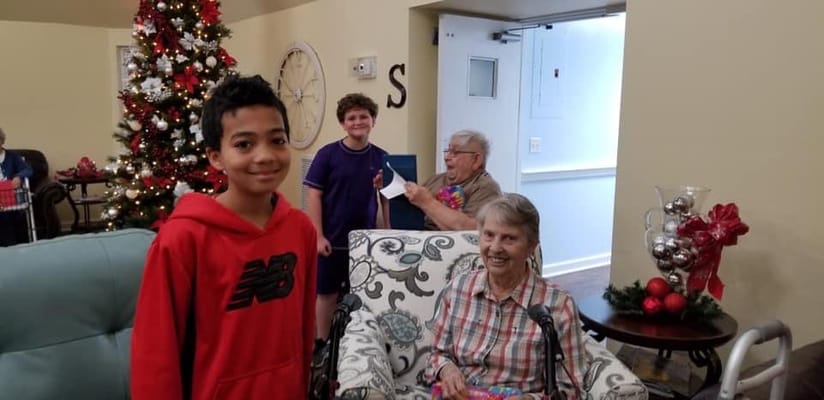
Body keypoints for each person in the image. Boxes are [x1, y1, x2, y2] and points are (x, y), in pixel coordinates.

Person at [130, 75, 317, 400]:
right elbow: (154, 354)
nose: (265, 156)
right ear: (215, 156)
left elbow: (304, 329)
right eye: (244, 144)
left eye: (277, 140)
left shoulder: (300, 229)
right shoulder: (182, 238)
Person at [424, 193, 588, 399]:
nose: (495, 248)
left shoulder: (558, 306)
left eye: (509, 238)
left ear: (531, 246)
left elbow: (570, 389)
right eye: (489, 235)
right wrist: (447, 371)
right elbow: (437, 354)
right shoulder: (459, 288)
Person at [303, 93, 388, 341]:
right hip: (332, 239)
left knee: (361, 295)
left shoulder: (381, 157)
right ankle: (323, 344)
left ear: (373, 121)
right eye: (351, 118)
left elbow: (386, 198)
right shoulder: (328, 154)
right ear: (343, 123)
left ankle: (354, 343)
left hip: (365, 241)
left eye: (363, 116)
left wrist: (388, 231)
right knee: (327, 294)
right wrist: (318, 236)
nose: (357, 122)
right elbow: (314, 195)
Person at [404, 129, 501, 230]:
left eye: (455, 152)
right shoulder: (435, 179)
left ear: (476, 160)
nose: (447, 157)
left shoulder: (485, 187)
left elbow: (470, 229)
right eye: (447, 151)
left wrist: (427, 202)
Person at [0, 127, 34, 246]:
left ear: (2, 141)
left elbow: (28, 170)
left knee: (6, 215)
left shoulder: (12, 157)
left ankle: (10, 246)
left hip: (10, 197)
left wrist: (19, 177)